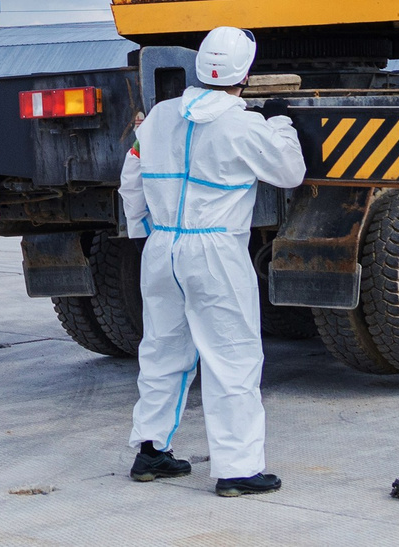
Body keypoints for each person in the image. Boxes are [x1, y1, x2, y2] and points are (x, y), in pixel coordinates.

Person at [122, 25, 304, 498]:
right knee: (232, 358)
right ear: (245, 75)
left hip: (162, 248)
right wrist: (280, 123)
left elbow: (131, 178)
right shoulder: (243, 124)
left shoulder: (159, 117)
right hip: (215, 250)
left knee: (161, 351)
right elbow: (289, 174)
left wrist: (145, 233)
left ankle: (151, 451)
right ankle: (237, 470)